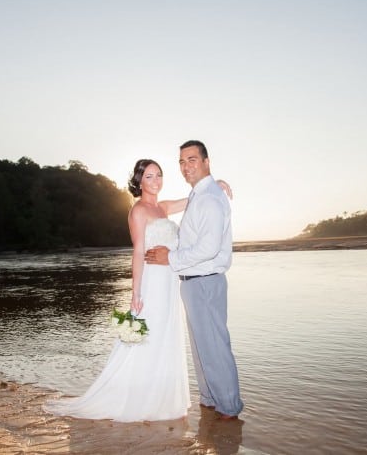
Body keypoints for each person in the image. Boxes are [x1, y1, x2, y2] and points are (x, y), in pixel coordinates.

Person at [43, 158, 231, 422]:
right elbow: (138, 252)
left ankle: (161, 394)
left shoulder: (163, 208)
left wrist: (215, 185)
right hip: (153, 282)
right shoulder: (138, 211)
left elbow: (194, 198)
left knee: (165, 333)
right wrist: (135, 293)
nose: (156, 181)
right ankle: (137, 396)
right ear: (139, 181)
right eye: (150, 177)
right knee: (146, 334)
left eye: (159, 175)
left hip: (169, 281)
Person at [145, 140, 244, 420]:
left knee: (214, 346)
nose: (185, 166)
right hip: (193, 282)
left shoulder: (210, 197)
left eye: (192, 160)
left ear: (206, 161)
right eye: (181, 162)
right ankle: (211, 400)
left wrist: (170, 259)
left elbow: (209, 248)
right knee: (203, 348)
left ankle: (228, 408)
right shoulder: (201, 195)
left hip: (204, 281)